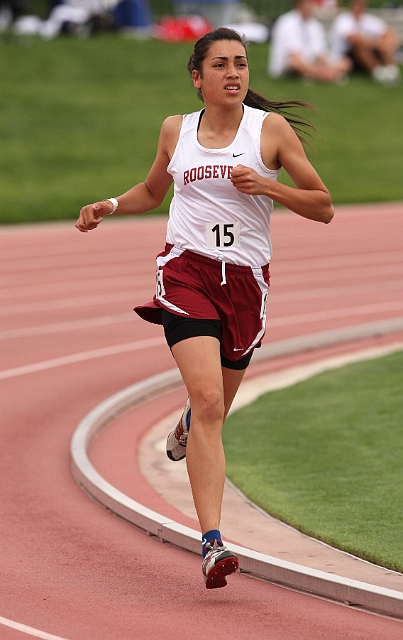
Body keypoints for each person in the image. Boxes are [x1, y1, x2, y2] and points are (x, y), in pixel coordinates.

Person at [76, 27, 334, 589]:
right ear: (198, 78)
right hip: (187, 273)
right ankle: (213, 544)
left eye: (241, 63)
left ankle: (191, 422)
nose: (234, 73)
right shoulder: (178, 130)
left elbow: (322, 206)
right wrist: (111, 204)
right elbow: (152, 193)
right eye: (220, 65)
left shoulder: (269, 131)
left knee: (211, 410)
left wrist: (269, 189)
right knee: (211, 400)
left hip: (246, 285)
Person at [268, 0, 351, 82]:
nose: (311, 7)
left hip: (312, 63)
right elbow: (294, 53)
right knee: (294, 63)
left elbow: (320, 53)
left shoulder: (315, 24)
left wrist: (327, 66)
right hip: (289, 63)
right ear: (300, 4)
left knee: (345, 62)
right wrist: (317, 69)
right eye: (309, 3)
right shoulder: (286, 22)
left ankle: (317, 74)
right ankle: (323, 76)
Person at [329, 0, 401, 84]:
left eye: (361, 5)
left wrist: (385, 43)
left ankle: (392, 70)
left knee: (384, 42)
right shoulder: (343, 20)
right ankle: (378, 73)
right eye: (357, 5)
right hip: (344, 56)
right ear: (351, 6)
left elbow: (387, 32)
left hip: (367, 52)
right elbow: (352, 38)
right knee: (359, 46)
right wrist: (377, 44)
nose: (359, 7)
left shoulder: (368, 19)